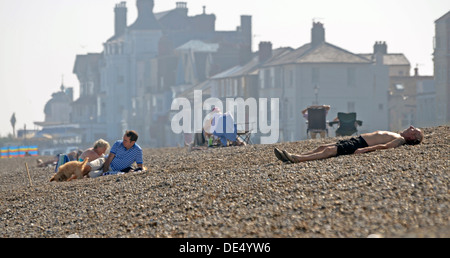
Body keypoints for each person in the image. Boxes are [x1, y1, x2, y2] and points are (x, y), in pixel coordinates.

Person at [274, 126, 424, 163]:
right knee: (323, 147)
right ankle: (292, 157)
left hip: (360, 143)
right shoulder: (399, 135)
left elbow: (385, 147)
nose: (410, 127)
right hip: (358, 139)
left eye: (413, 129)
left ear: (413, 136)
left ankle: (297, 158)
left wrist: (364, 150)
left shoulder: (400, 140)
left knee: (330, 150)